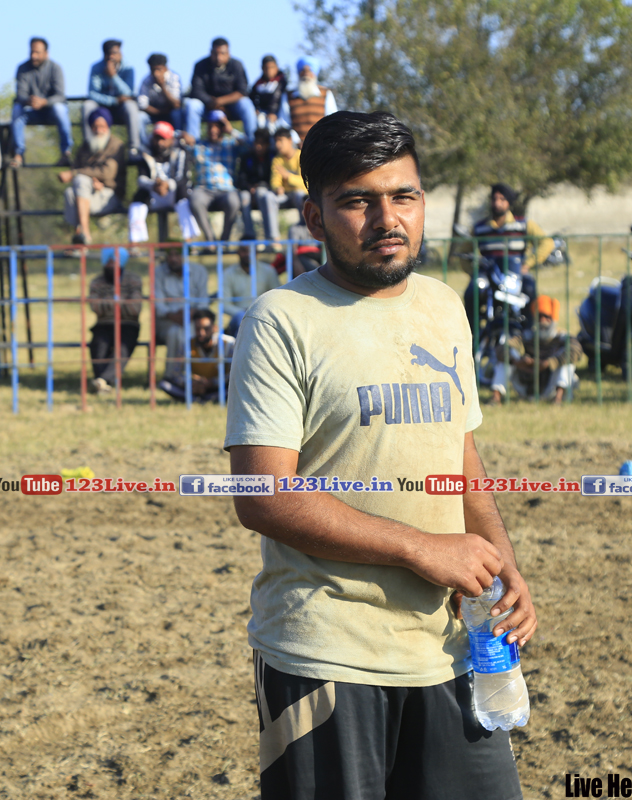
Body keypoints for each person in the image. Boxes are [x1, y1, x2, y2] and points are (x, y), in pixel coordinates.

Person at [226, 110, 533, 799]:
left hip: (451, 650)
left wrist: (502, 564)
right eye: (358, 201)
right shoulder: (281, 321)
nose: (386, 219)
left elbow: (459, 453)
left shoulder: (444, 306)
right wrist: (420, 548)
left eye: (403, 196)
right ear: (315, 216)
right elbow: (263, 497)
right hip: (326, 655)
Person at [461, 183, 551, 322]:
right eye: (494, 199)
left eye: (502, 199)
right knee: (473, 290)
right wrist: (473, 272)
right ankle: (473, 331)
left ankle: (529, 329)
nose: (497, 203)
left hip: (516, 273)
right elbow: (463, 251)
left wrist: (528, 264)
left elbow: (547, 242)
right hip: (489, 275)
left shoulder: (523, 224)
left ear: (509, 202)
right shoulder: (480, 227)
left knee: (529, 288)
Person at [491, 294, 579, 405]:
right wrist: (517, 362)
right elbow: (501, 348)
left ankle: (558, 399)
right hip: (526, 383)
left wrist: (548, 363)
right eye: (539, 317)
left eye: (546, 316)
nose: (542, 321)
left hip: (550, 387)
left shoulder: (562, 337)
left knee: (567, 361)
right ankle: (496, 397)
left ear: (553, 318)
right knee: (508, 354)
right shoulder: (528, 336)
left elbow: (576, 349)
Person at [60, 107, 124, 245]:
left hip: (109, 195)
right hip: (88, 193)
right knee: (70, 193)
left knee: (81, 179)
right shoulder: (86, 146)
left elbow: (107, 173)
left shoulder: (116, 145)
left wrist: (101, 183)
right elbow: (76, 167)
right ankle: (79, 238)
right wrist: (89, 179)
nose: (98, 130)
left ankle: (85, 235)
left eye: (102, 126)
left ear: (108, 126)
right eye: (95, 126)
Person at [184, 110, 247, 245]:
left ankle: (224, 241)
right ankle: (210, 240)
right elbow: (176, 139)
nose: (213, 130)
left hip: (226, 190)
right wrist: (183, 136)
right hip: (204, 189)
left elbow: (249, 144)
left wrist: (231, 130)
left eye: (217, 126)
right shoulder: (199, 145)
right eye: (210, 126)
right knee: (195, 199)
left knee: (234, 201)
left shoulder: (231, 144)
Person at [11, 37, 74, 168]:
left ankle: (66, 152)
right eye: (32, 52)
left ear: (46, 53)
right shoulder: (22, 68)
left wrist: (44, 102)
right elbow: (20, 94)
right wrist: (29, 100)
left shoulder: (55, 68)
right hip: (32, 111)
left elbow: (60, 96)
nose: (33, 56)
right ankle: (18, 153)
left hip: (51, 112)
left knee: (60, 109)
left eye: (37, 53)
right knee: (17, 108)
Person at [87, 246, 142, 395]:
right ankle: (103, 383)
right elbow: (94, 306)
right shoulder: (97, 281)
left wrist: (107, 303)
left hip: (128, 324)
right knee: (98, 345)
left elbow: (135, 308)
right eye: (109, 262)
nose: (111, 265)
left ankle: (101, 381)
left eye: (115, 262)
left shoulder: (133, 280)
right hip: (104, 324)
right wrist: (121, 303)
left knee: (123, 348)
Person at [128, 122, 188, 245]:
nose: (160, 143)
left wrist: (167, 184)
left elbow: (182, 178)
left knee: (184, 195)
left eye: (163, 139)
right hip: (153, 194)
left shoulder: (179, 153)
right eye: (157, 138)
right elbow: (141, 178)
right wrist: (154, 185)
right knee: (138, 197)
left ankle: (189, 241)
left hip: (173, 193)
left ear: (171, 140)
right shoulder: (146, 153)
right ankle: (135, 243)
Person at [157, 307, 235, 402]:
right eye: (198, 329)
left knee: (234, 387)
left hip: (218, 387)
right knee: (165, 384)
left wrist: (211, 382)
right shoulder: (187, 345)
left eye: (206, 329)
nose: (201, 333)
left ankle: (201, 398)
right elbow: (176, 374)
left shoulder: (228, 344)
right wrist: (191, 382)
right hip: (194, 387)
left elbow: (233, 375)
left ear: (214, 328)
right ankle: (201, 398)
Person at [153, 246, 209, 377]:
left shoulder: (199, 271)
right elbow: (159, 305)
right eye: (170, 255)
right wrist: (173, 315)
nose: (173, 259)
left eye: (177, 255)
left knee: (188, 332)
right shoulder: (158, 272)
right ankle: (173, 377)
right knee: (175, 333)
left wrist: (192, 313)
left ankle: (193, 376)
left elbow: (204, 302)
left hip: (194, 320)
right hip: (167, 321)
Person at [186, 38, 257, 139]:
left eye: (222, 53)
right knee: (192, 105)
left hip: (231, 106)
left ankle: (252, 141)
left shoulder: (237, 65)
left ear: (228, 53)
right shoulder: (200, 65)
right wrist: (212, 102)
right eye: (215, 53)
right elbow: (196, 91)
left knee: (246, 103)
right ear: (211, 52)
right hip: (207, 105)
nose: (219, 57)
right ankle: (192, 143)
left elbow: (242, 91)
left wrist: (220, 101)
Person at [84, 39, 143, 160]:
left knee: (131, 106)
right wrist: (114, 101)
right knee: (87, 106)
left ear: (120, 53)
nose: (112, 57)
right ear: (104, 55)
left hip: (121, 109)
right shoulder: (96, 68)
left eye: (115, 53)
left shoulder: (129, 68)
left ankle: (134, 149)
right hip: (102, 108)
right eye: (109, 54)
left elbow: (128, 93)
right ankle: (88, 147)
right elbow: (93, 94)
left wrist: (113, 76)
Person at [221, 244, 280, 336]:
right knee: (242, 321)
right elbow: (224, 304)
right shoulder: (228, 273)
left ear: (257, 253)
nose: (247, 254)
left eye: (251, 251)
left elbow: (277, 299)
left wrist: (258, 313)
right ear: (238, 252)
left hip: (264, 316)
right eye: (244, 250)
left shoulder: (268, 271)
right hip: (239, 319)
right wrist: (246, 314)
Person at [278, 56, 339, 142]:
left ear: (315, 73)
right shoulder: (289, 96)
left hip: (320, 143)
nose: (306, 74)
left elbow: (332, 120)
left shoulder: (326, 93)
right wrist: (297, 141)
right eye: (303, 70)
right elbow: (284, 123)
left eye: (309, 70)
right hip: (296, 146)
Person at [264, 128, 307, 239]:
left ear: (290, 140)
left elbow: (306, 183)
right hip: (284, 196)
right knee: (268, 196)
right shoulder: (277, 160)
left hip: (298, 195)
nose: (277, 145)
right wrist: (277, 187)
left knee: (300, 195)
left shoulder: (301, 156)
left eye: (280, 140)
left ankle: (308, 231)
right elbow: (275, 180)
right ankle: (274, 238)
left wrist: (288, 176)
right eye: (276, 141)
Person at [235, 128, 273, 243]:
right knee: (244, 197)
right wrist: (249, 187)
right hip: (248, 191)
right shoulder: (247, 157)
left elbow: (273, 179)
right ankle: (250, 235)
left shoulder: (272, 157)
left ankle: (270, 238)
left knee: (262, 193)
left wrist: (260, 186)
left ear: (267, 144)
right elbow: (241, 178)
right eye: (256, 143)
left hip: (265, 190)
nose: (258, 147)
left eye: (262, 144)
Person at [138, 53, 182, 130]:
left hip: (171, 112)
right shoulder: (146, 81)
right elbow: (142, 105)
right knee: (140, 117)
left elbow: (176, 104)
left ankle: (178, 135)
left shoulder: (174, 78)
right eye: (153, 70)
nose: (156, 74)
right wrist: (160, 112)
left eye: (158, 69)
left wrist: (162, 86)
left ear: (165, 68)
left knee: (177, 114)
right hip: (153, 113)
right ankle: (141, 138)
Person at [250, 55, 287, 131]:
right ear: (262, 68)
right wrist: (255, 108)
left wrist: (272, 112)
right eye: (266, 68)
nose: (269, 70)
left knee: (271, 125)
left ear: (277, 67)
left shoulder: (281, 80)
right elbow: (252, 96)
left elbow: (276, 97)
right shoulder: (258, 83)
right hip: (263, 112)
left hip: (278, 112)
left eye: (272, 67)